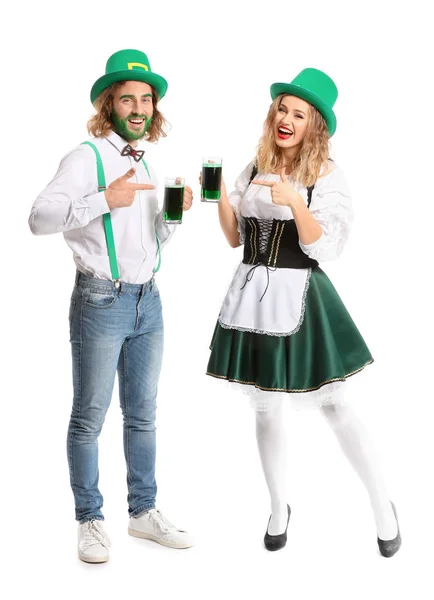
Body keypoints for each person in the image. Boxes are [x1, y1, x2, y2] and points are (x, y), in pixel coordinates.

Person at [206, 68, 401, 557]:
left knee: (335, 406)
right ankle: (277, 507)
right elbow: (234, 238)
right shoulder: (254, 167)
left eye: (298, 113)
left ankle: (382, 504)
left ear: (316, 126)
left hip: (302, 297)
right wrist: (215, 200)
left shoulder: (328, 177)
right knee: (267, 407)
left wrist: (295, 200)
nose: (285, 118)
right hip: (252, 297)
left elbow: (326, 248)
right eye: (281, 109)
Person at [29, 49, 194, 563]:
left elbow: (148, 239)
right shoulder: (86, 157)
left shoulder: (147, 159)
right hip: (101, 301)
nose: (139, 107)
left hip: (149, 300)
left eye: (147, 99)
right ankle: (90, 520)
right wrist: (105, 198)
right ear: (110, 104)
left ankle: (143, 513)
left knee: (142, 415)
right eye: (128, 98)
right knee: (89, 418)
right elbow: (38, 218)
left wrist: (174, 214)